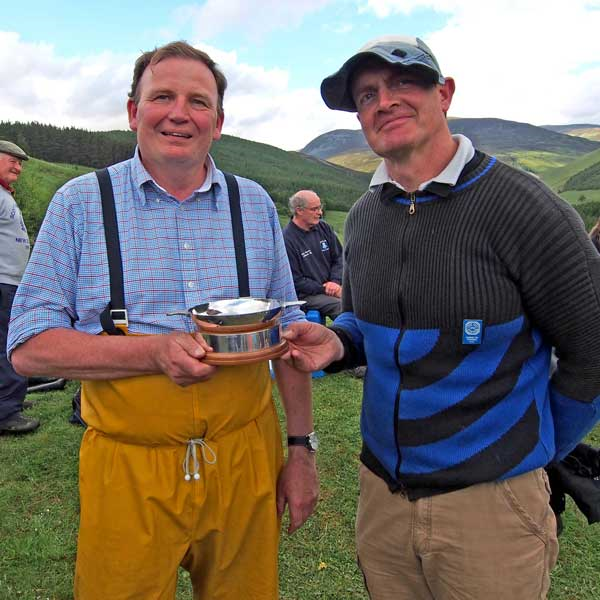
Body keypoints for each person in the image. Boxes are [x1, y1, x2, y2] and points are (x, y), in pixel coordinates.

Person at [282, 35, 600, 599]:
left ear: (444, 93)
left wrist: (534, 449)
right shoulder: (364, 217)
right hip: (382, 499)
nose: (384, 102)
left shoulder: (524, 207)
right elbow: (362, 322)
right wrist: (336, 345)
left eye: (403, 83)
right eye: (366, 95)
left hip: (491, 509)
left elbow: (594, 349)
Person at [8, 41, 318, 600]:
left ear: (218, 122)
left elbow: (286, 327)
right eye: (163, 97)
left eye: (198, 102)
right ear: (133, 112)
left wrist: (300, 451)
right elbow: (29, 345)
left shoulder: (254, 204)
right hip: (127, 467)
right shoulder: (80, 203)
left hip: (246, 457)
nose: (180, 113)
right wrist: (150, 353)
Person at [0, 140, 39, 435]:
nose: (18, 167)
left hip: (10, 281)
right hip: (2, 281)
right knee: (8, 344)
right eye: (12, 160)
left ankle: (9, 400)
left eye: (21, 162)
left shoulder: (4, 195)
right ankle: (6, 412)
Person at [283, 190, 343, 320]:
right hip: (307, 296)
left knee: (363, 300)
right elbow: (296, 281)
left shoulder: (324, 228)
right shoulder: (287, 240)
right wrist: (326, 289)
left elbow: (339, 258)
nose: (320, 213)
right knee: (343, 307)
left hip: (333, 287)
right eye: (314, 209)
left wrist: (335, 282)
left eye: (320, 207)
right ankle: (343, 338)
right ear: (299, 210)